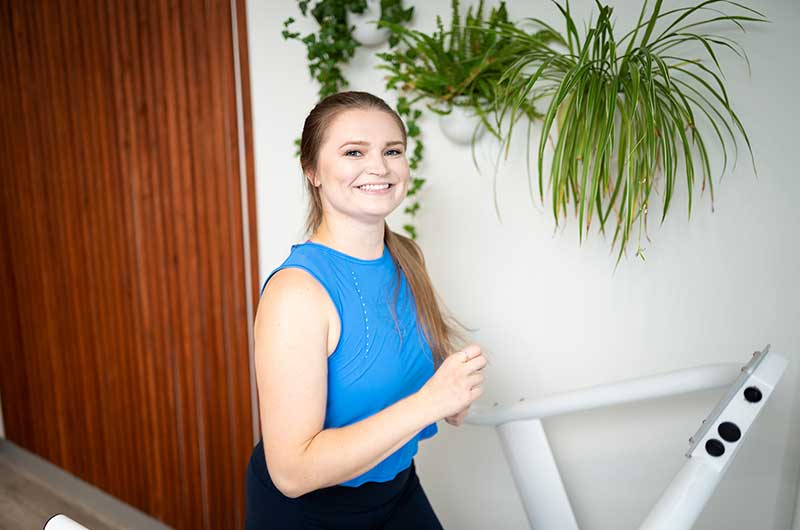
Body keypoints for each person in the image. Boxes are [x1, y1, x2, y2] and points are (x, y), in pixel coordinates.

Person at [244, 90, 488, 529]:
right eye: (354, 151)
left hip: (397, 491)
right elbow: (292, 473)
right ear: (312, 171)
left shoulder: (406, 256)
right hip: (313, 514)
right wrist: (429, 402)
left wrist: (449, 392)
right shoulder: (297, 293)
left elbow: (394, 364)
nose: (380, 166)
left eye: (392, 151)